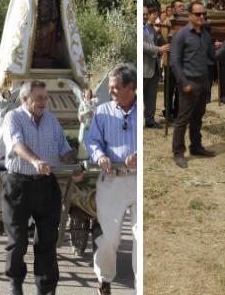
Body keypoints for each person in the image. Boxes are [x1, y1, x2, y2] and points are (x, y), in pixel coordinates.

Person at [2, 80, 74, 295]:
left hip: (46, 185)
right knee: (18, 240)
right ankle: (16, 284)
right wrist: (35, 161)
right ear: (25, 99)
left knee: (47, 241)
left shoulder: (51, 120)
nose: (44, 102)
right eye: (39, 98)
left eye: (45, 97)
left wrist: (73, 163)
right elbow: (16, 144)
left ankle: (46, 289)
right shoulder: (13, 117)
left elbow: (64, 148)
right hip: (18, 184)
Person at [85, 64, 138, 295]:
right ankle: (105, 278)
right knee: (109, 237)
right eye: (110, 86)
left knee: (140, 235)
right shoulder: (103, 111)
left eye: (115, 87)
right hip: (112, 180)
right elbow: (92, 141)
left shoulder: (144, 109)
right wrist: (100, 156)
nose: (111, 90)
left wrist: (141, 155)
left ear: (131, 87)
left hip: (139, 181)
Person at [170, 1, 225, 168]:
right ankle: (178, 153)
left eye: (203, 14)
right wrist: (183, 83)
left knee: (198, 118)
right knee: (182, 120)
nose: (201, 17)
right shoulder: (181, 35)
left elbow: (213, 57)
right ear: (190, 15)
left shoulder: (206, 35)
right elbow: (175, 62)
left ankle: (196, 147)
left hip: (203, 82)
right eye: (198, 14)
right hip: (189, 83)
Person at [143, 6, 168, 128]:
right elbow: (143, 46)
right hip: (143, 67)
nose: (145, 16)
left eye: (146, 14)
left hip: (153, 68)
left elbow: (155, 43)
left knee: (151, 97)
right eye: (143, 14)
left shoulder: (151, 28)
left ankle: (150, 120)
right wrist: (159, 49)